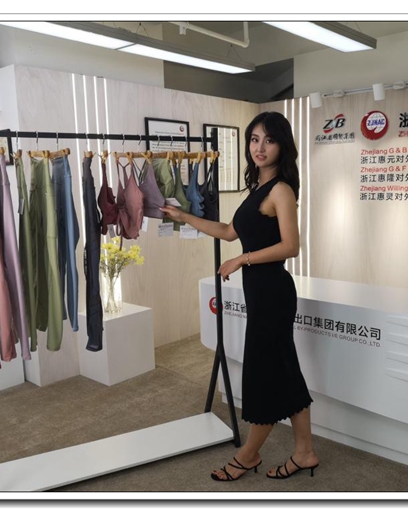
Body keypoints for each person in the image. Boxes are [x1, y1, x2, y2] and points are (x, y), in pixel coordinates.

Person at [160, 111, 319, 481]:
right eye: (254, 139)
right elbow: (228, 231)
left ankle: (248, 455)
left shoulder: (281, 190)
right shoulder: (258, 188)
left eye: (269, 140)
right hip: (261, 292)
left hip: (273, 293)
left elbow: (291, 246)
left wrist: (242, 259)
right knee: (286, 370)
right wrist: (185, 218)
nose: (260, 147)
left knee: (263, 375)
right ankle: (305, 452)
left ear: (282, 146)